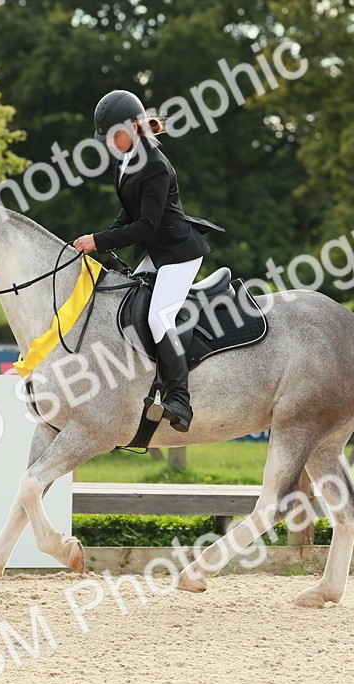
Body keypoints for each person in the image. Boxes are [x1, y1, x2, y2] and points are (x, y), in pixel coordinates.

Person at [71, 89, 224, 432]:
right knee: (127, 302)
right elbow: (128, 212)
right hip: (158, 252)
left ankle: (180, 399)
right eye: (107, 137)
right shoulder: (125, 160)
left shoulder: (155, 164)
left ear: (135, 127)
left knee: (158, 318)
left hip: (180, 254)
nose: (111, 142)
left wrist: (98, 241)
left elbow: (147, 225)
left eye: (115, 135)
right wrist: (100, 237)